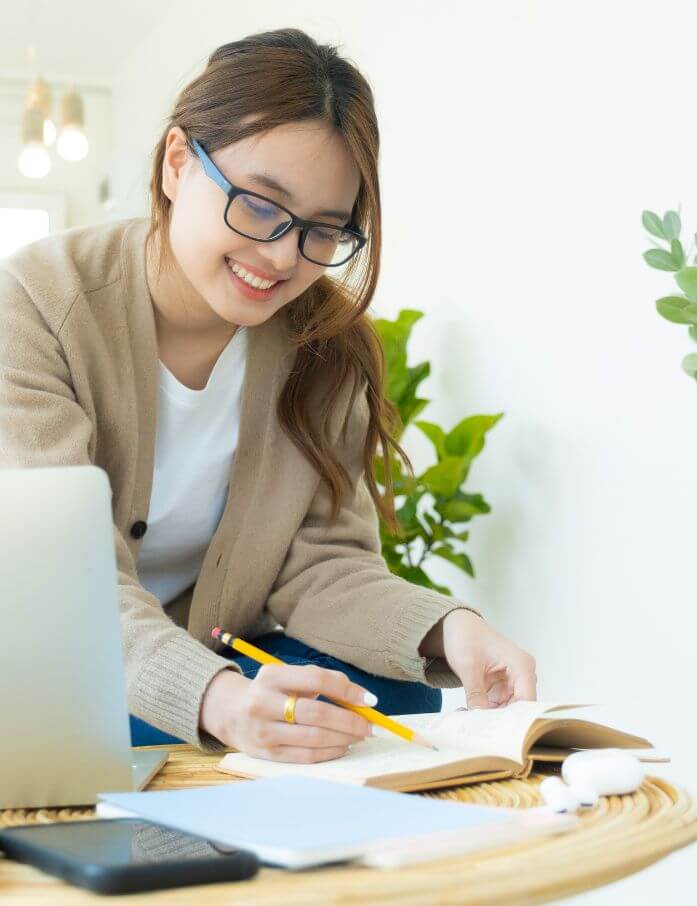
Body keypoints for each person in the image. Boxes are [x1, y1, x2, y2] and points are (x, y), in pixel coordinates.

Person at [0, 28, 536, 763]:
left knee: (395, 694)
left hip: (217, 660)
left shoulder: (324, 349)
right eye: (259, 206)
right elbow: (63, 584)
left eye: (324, 231)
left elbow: (321, 564)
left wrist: (449, 630)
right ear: (177, 163)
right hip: (51, 658)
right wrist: (215, 698)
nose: (283, 256)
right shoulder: (34, 303)